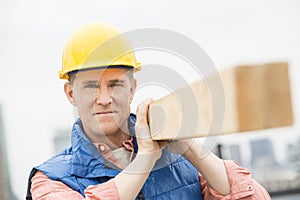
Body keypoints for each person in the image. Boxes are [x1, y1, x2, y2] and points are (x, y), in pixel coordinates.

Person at [26, 22, 271, 200]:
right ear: (71, 94)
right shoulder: (51, 179)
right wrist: (145, 158)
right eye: (91, 86)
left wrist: (189, 147)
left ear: (132, 89)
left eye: (115, 84)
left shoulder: (182, 163)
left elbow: (251, 196)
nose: (104, 99)